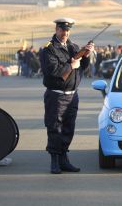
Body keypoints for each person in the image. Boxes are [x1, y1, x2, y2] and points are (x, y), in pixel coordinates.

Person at [39, 17, 94, 174]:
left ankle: (64, 159)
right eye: (62, 30)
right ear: (56, 29)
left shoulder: (73, 46)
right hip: (56, 95)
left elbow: (83, 66)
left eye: (68, 30)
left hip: (72, 95)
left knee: (69, 128)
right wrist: (70, 65)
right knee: (55, 128)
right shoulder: (49, 49)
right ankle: (54, 161)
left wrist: (86, 54)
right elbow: (53, 72)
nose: (65, 33)